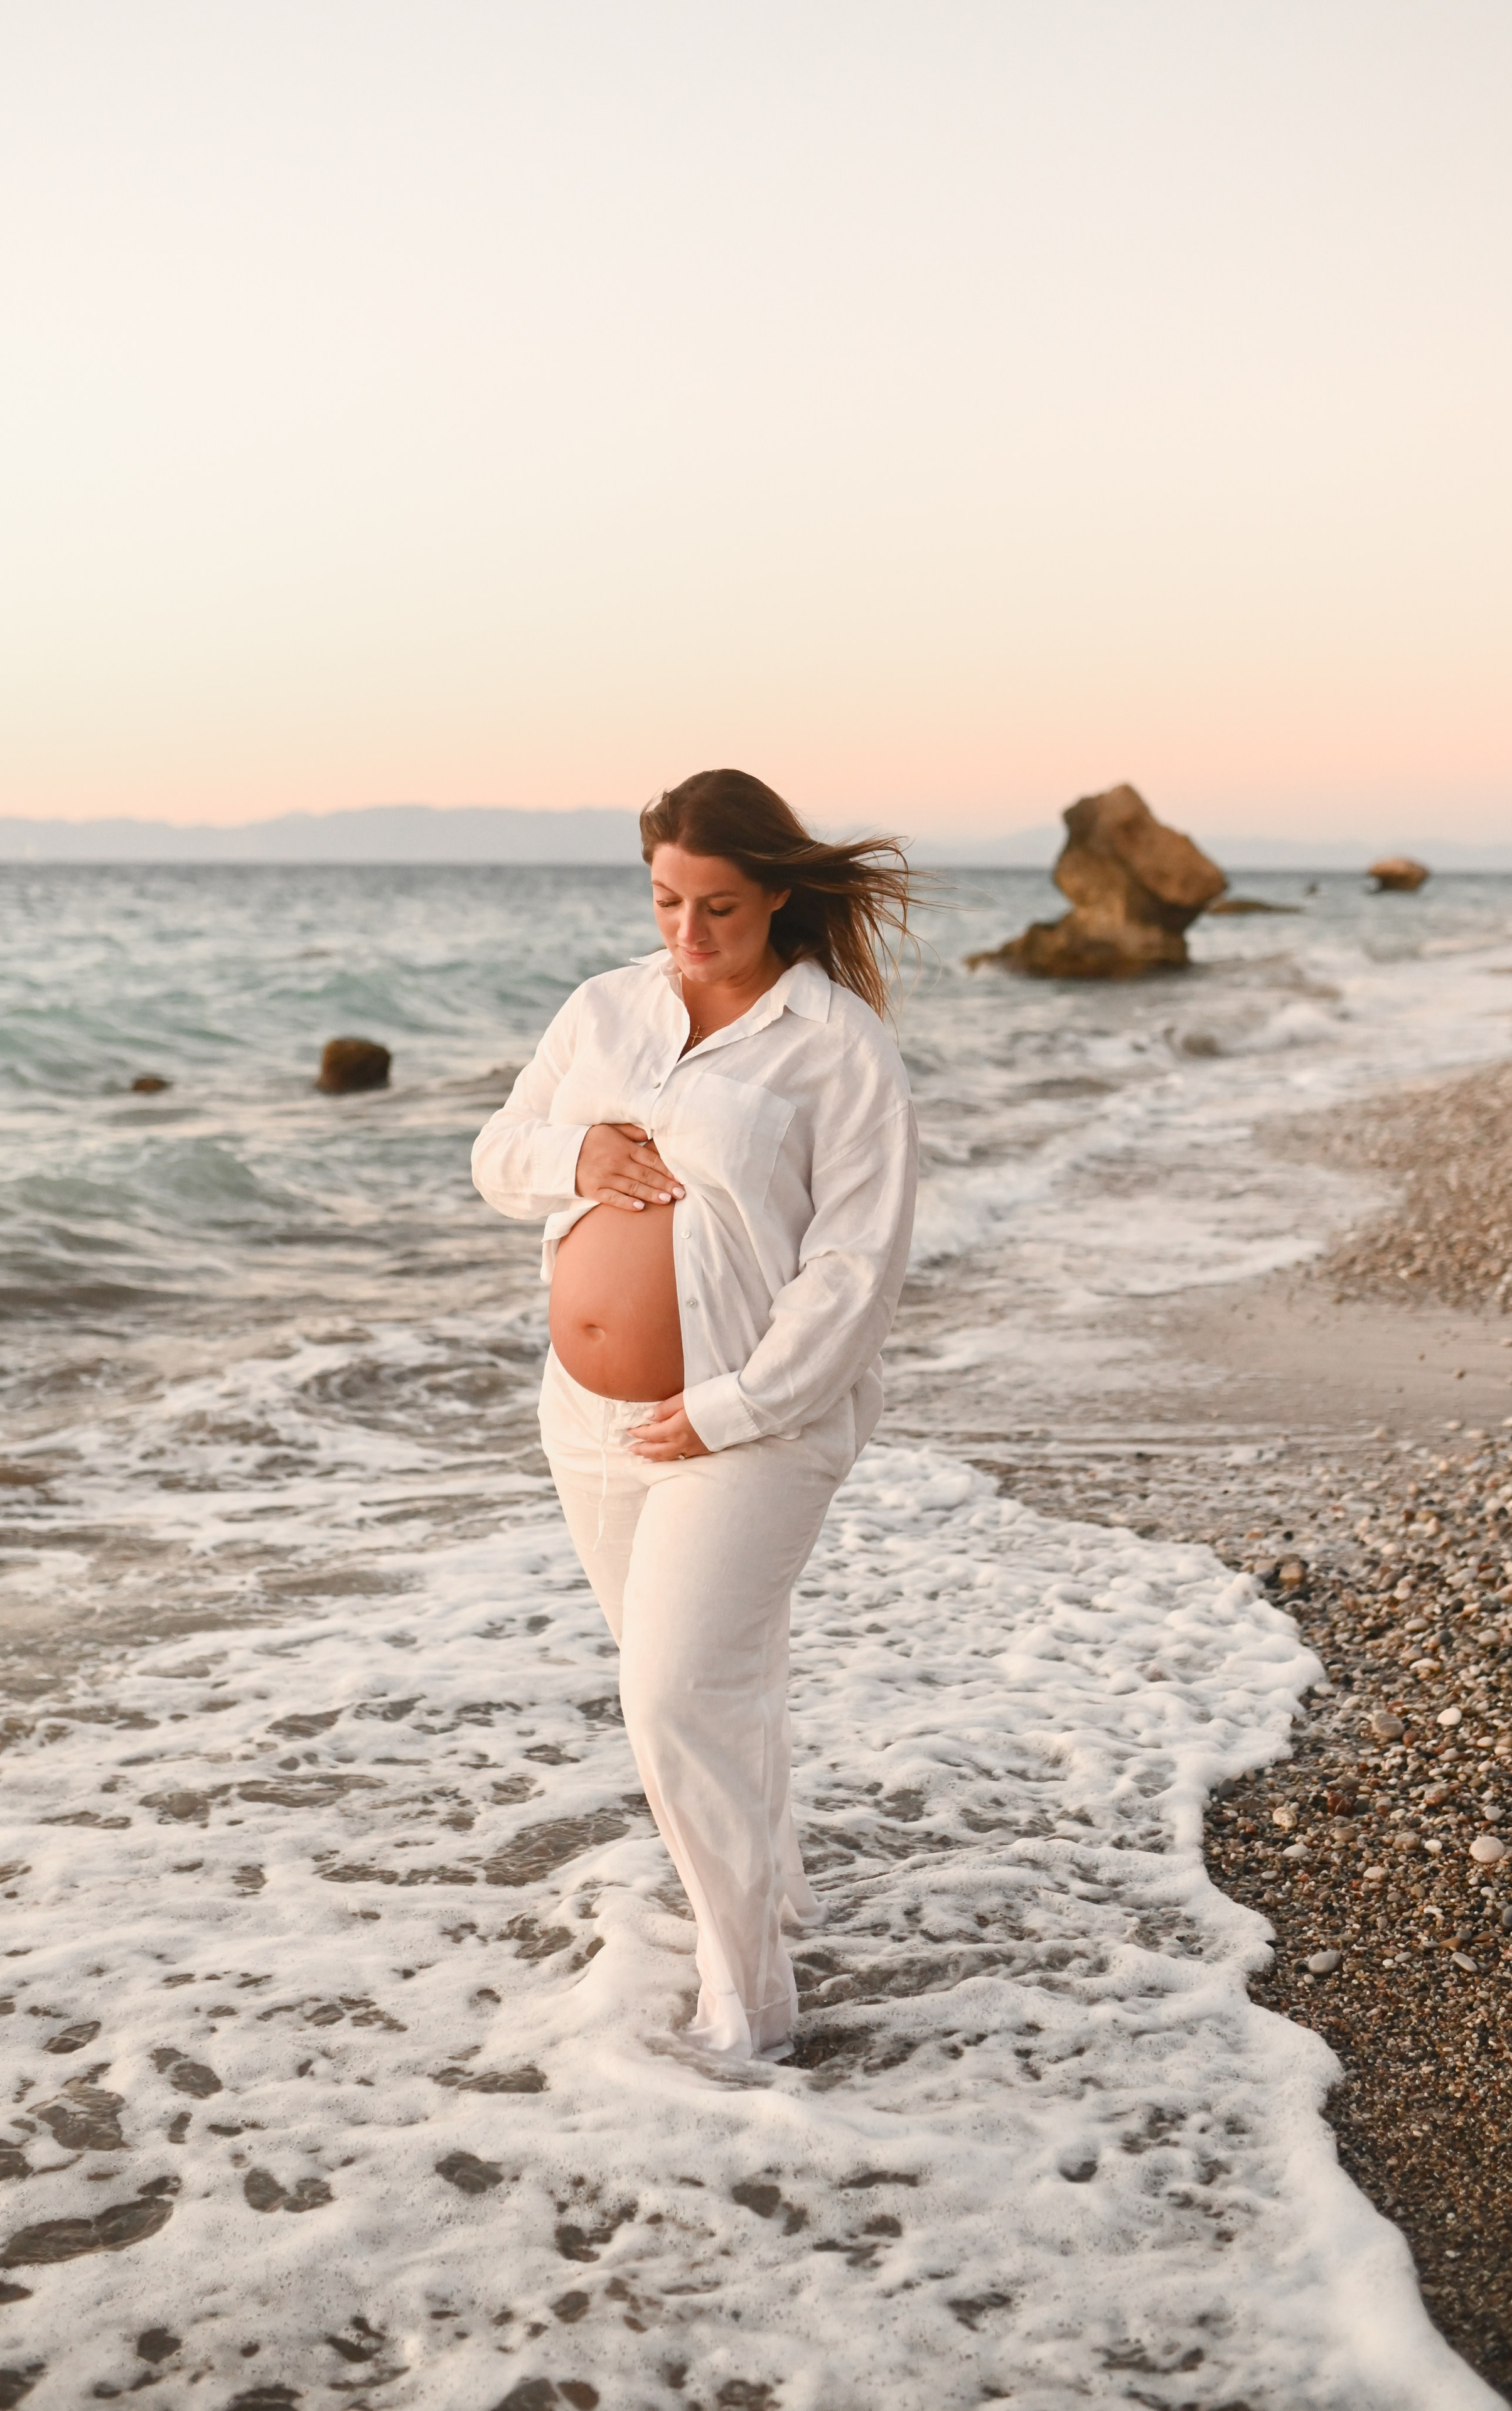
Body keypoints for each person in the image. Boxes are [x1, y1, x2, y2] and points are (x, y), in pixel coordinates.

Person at [471, 767, 919, 2061]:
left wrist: (730, 1406)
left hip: (751, 1420)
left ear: (775, 893)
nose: (689, 930)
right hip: (588, 1420)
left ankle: (749, 2007)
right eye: (667, 900)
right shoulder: (604, 1008)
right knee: (710, 1684)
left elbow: (854, 1272)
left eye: (717, 905)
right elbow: (498, 1155)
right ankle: (773, 1891)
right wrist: (576, 1153)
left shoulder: (837, 1047)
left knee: (673, 1696)